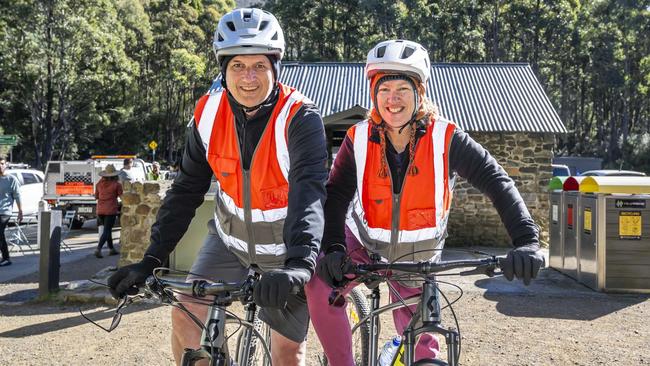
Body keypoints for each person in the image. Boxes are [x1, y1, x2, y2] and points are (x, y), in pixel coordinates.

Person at [108, 8, 327, 366]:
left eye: (259, 65)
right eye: (237, 66)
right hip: (230, 241)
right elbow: (186, 191)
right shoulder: (207, 114)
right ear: (223, 70)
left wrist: (300, 264)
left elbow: (310, 194)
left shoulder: (301, 118)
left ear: (276, 67)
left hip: (286, 251)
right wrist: (150, 259)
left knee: (287, 351)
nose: (249, 78)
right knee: (185, 316)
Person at [304, 40, 545, 365]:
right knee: (317, 287)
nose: (393, 99)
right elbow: (335, 195)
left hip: (415, 261)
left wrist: (527, 241)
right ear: (373, 94)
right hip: (360, 245)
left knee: (424, 355)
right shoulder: (357, 138)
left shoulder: (446, 138)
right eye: (384, 88)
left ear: (420, 91)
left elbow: (495, 180)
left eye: (402, 88)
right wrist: (332, 246)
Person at [94, 164, 122, 258]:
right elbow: (122, 196)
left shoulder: (99, 184)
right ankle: (98, 248)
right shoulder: (117, 184)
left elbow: (96, 197)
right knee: (107, 230)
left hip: (100, 210)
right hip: (110, 210)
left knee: (107, 230)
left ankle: (111, 249)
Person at [0, 156, 22, 267]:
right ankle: (5, 257)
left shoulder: (11, 179)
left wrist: (20, 210)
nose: (0, 166)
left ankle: (6, 258)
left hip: (5, 211)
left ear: (6, 165)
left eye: (2, 163)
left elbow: (17, 196)